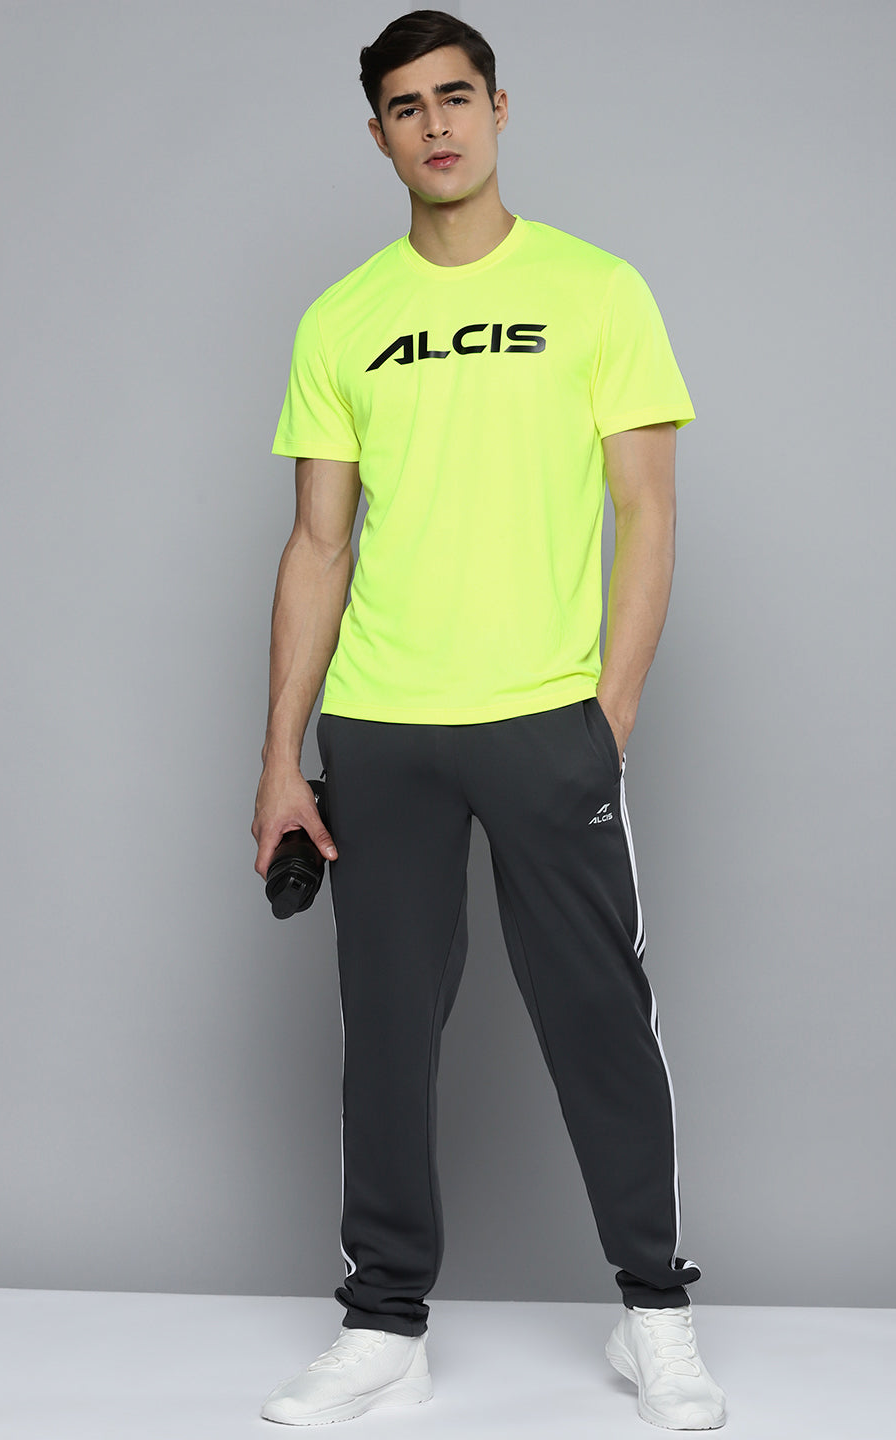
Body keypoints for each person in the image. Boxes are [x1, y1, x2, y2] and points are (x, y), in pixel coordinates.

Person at [251, 9, 727, 1430]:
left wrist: (607, 717)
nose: (437, 125)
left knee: (598, 1014)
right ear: (380, 134)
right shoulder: (341, 318)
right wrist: (280, 760)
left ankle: (655, 1311)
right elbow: (317, 546)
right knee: (387, 1030)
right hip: (382, 723)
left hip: (542, 720)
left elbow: (647, 514)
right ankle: (383, 1327)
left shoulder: (597, 292)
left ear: (500, 110)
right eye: (406, 107)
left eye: (457, 97)